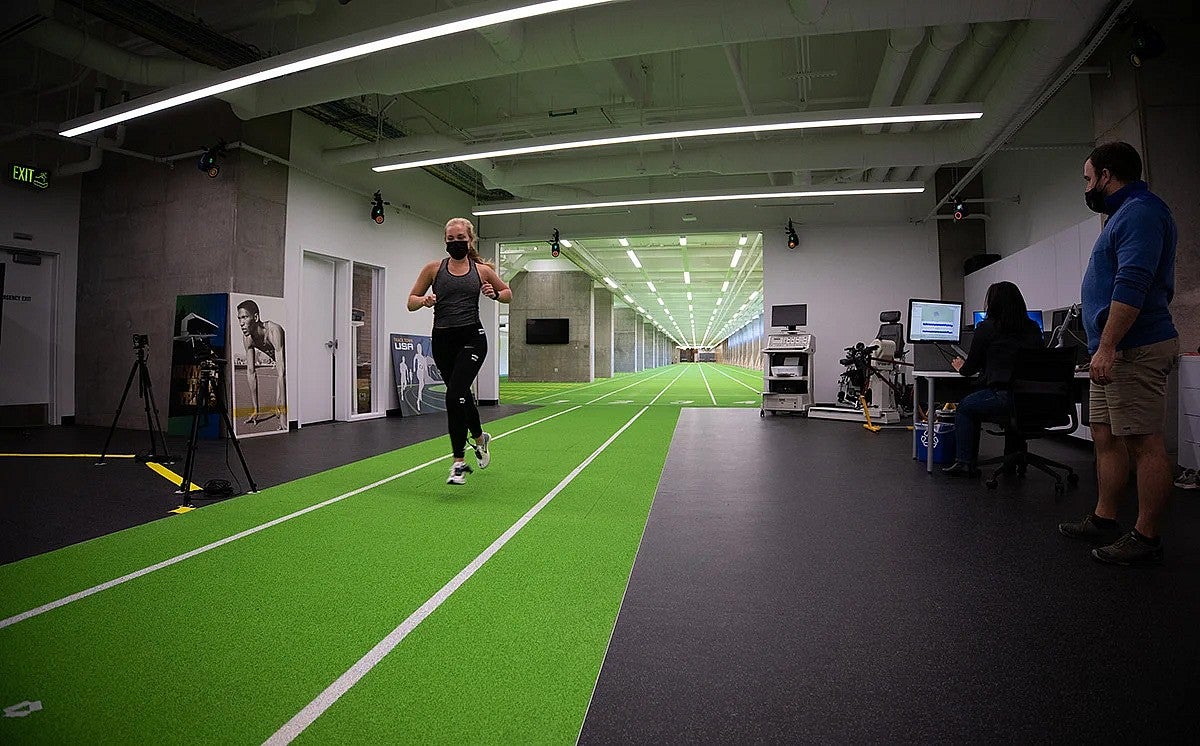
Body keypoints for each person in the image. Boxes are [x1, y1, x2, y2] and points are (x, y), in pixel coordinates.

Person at [1059, 141, 1178, 566]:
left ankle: (1146, 537)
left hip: (1134, 347)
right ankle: (1105, 517)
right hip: (1109, 350)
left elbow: (1133, 283)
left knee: (1145, 443)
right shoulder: (1119, 218)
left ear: (1107, 175)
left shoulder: (1142, 212)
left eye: (1088, 178)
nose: (1087, 187)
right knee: (1105, 436)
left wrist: (1108, 345)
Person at [408, 217, 511, 485]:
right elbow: (410, 301)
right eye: (451, 240)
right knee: (462, 395)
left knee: (454, 396)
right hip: (443, 339)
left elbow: (508, 292)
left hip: (472, 338)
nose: (456, 243)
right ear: (445, 241)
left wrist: (494, 294)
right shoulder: (433, 269)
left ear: (470, 240)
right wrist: (424, 300)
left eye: (460, 239)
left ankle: (458, 463)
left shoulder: (481, 271)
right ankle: (479, 438)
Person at [942, 281, 1044, 477]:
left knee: (964, 407)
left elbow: (969, 368)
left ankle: (965, 463)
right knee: (1015, 406)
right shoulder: (1033, 328)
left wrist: (960, 366)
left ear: (993, 304)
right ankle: (1013, 460)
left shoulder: (987, 328)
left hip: (1004, 397)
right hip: (1034, 399)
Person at [236, 300, 286, 428]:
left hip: (291, 362)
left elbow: (281, 373)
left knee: (280, 410)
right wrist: (255, 410)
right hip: (282, 365)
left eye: (245, 317)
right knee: (278, 408)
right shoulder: (247, 338)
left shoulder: (274, 330)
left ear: (256, 317)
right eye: (239, 318)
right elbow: (251, 372)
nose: (241, 323)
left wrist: (284, 413)